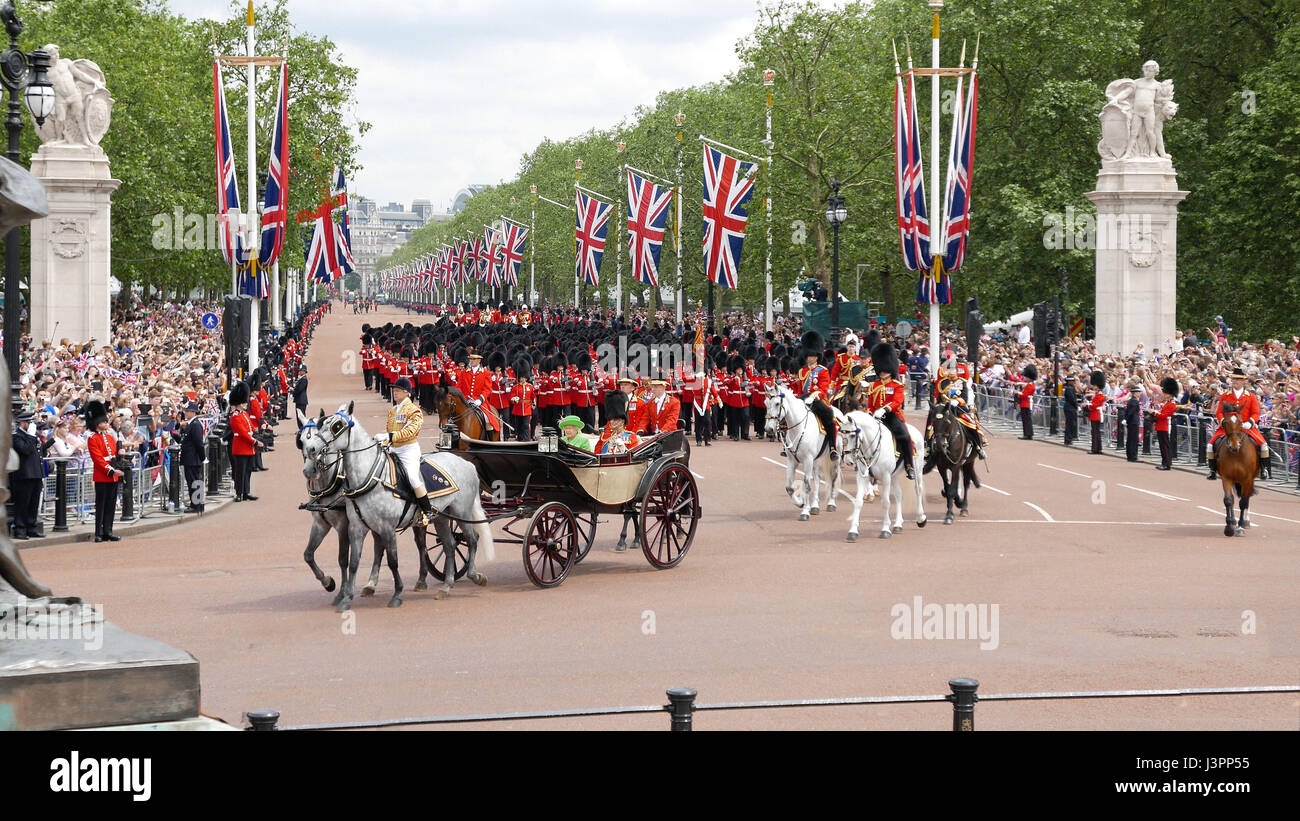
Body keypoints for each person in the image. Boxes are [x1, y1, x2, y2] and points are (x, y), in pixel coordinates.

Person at [379, 377, 435, 526]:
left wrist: (390, 437)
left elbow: (410, 431)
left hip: (408, 450)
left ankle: (428, 511)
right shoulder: (392, 410)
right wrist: (384, 441)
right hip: (393, 448)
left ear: (407, 393)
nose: (394, 393)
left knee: (412, 478)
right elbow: (389, 430)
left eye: (397, 391)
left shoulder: (414, 411)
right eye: (394, 390)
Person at [1206, 367, 1269, 480]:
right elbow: (1219, 412)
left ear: (1244, 381)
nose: (1235, 381)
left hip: (1246, 427)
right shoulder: (1225, 395)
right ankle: (1212, 470)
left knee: (1264, 445)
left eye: (1238, 379)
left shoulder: (1251, 396)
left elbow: (1256, 413)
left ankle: (1263, 470)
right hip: (1228, 427)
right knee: (1210, 445)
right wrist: (1223, 422)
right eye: (1234, 379)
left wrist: (1250, 422)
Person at [861, 342, 913, 479]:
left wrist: (885, 409)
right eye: (881, 368)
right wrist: (869, 412)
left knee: (905, 436)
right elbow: (871, 403)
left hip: (891, 415)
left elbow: (897, 401)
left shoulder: (896, 385)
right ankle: (862, 463)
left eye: (885, 368)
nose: (883, 371)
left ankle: (909, 465)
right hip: (875, 416)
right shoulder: (874, 385)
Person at [85, 400, 123, 542]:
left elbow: (113, 456)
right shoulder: (92, 439)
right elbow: (98, 459)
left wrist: (120, 454)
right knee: (100, 505)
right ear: (96, 423)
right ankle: (98, 532)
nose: (106, 423)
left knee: (110, 505)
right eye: (104, 422)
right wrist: (111, 471)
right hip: (102, 475)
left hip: (113, 475)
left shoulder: (110, 437)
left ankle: (108, 530)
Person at [796, 331, 837, 459]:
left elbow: (824, 388)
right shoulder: (802, 371)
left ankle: (832, 447)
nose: (810, 358)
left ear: (817, 356)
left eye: (812, 356)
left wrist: (813, 396)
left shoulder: (822, 370)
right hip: (803, 399)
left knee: (829, 419)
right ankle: (788, 445)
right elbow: (800, 389)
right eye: (808, 355)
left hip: (818, 400)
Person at [9, 411, 46, 540]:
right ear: (22, 423)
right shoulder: (16, 436)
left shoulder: (32, 436)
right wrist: (31, 436)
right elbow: (25, 450)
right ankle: (20, 529)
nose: (31, 425)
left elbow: (39, 452)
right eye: (29, 422)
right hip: (24, 475)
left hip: (35, 474)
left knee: (33, 504)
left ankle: (31, 527)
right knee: (22, 504)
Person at [228, 381, 260, 502]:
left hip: (248, 448)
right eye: (244, 402)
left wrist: (257, 428)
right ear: (240, 404)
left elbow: (250, 427)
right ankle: (239, 493)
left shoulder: (244, 414)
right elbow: (242, 433)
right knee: (240, 472)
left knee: (248, 471)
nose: (246, 404)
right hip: (241, 448)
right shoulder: (235, 416)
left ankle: (246, 492)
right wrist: (255, 442)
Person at [178, 401, 207, 512]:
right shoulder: (191, 424)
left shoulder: (195, 425)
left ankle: (196, 505)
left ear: (193, 412)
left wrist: (202, 457)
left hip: (193, 458)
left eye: (188, 411)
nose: (186, 413)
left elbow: (198, 443)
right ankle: (197, 504)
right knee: (194, 481)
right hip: (191, 458)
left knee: (194, 482)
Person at [1154, 377, 1178, 470]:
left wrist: (1155, 413)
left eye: (1166, 393)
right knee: (1162, 446)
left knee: (1165, 446)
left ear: (1170, 394)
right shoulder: (1167, 403)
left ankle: (1167, 464)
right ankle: (1164, 462)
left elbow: (1164, 416)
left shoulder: (1172, 404)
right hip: (1161, 426)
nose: (1164, 394)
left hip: (1165, 427)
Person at [1123, 377, 1142, 462]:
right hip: (1133, 422)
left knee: (1130, 439)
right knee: (1133, 440)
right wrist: (1127, 419)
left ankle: (1130, 456)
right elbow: (1131, 412)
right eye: (1138, 392)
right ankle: (1133, 456)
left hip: (1131, 422)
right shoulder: (1134, 401)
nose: (1139, 394)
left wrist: (1126, 419)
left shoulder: (1131, 401)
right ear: (1134, 393)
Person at [1018, 364, 1037, 440]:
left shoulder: (1030, 386)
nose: (1025, 378)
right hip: (1025, 404)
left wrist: (1017, 393)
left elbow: (1024, 395)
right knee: (1026, 420)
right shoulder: (1029, 384)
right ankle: (1027, 434)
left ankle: (1027, 434)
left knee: (1026, 420)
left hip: (1026, 404)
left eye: (1026, 377)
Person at [1063, 373, 1080, 446]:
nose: (1074, 382)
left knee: (1070, 424)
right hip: (1070, 408)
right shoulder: (1069, 388)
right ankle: (1068, 439)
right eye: (1073, 381)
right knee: (1069, 424)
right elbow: (1072, 399)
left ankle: (1069, 439)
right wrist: (1076, 406)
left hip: (1070, 407)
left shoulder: (1070, 388)